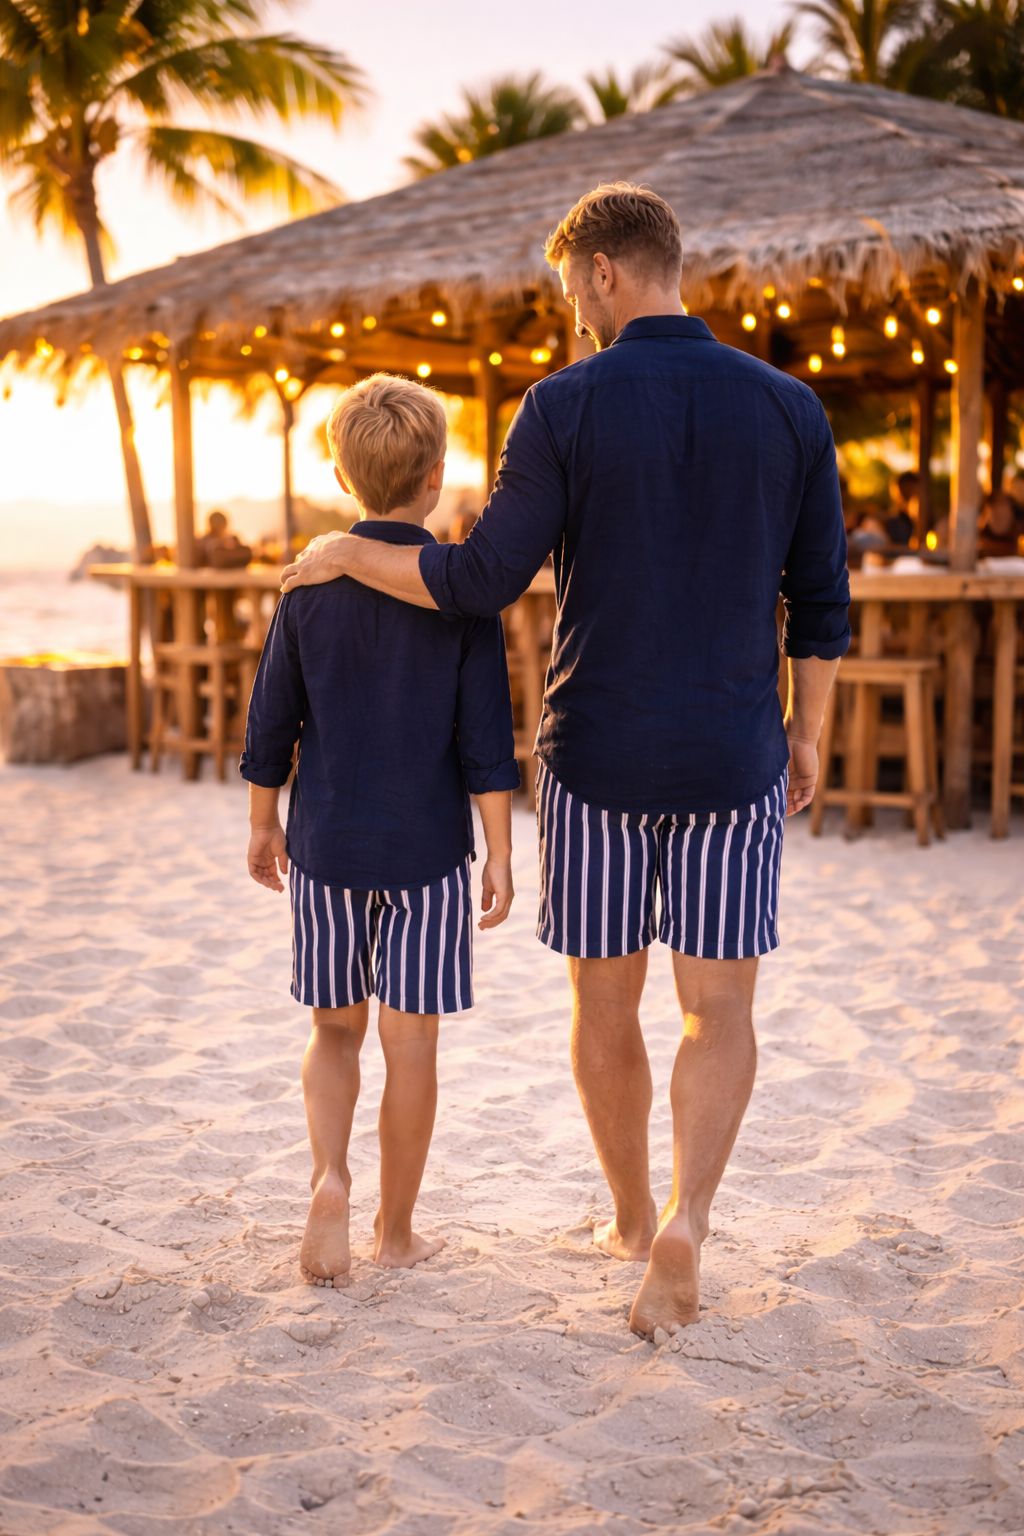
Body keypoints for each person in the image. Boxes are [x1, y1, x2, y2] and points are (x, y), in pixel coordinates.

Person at [280, 182, 850, 1337]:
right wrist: (808, 734)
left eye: (566, 289)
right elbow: (821, 605)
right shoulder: (789, 408)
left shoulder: (562, 405)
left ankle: (635, 1219)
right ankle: (689, 1219)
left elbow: (478, 579)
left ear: (599, 271)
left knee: (607, 1003)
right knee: (719, 1006)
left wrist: (345, 548)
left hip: (594, 760)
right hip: (734, 754)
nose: (570, 314)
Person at [241, 374, 520, 1286]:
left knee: (332, 1030)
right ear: (435, 478)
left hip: (324, 848)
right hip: (429, 856)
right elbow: (486, 744)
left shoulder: (309, 589)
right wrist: (503, 853)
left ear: (338, 471)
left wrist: (263, 824)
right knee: (412, 1044)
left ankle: (329, 1177)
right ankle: (394, 1234)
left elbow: (269, 723)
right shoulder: (459, 600)